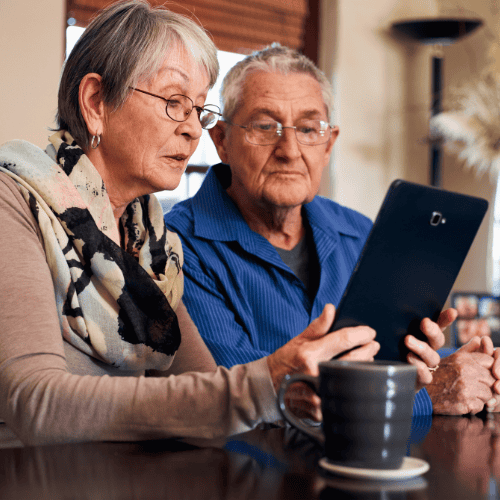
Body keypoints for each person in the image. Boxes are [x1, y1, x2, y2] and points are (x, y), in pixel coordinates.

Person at [0, 0, 379, 446]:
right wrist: (265, 382)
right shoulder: (13, 203)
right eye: (175, 102)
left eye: (198, 109)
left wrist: (294, 394)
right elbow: (35, 403)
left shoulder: (150, 244)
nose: (193, 130)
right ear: (96, 102)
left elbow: (211, 397)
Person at [165, 44, 500, 416]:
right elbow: (237, 398)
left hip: (371, 459)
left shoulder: (359, 232)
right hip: (248, 469)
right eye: (265, 126)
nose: (290, 150)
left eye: (309, 129)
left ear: (328, 145)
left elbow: (396, 364)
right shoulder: (175, 246)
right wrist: (424, 394)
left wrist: (457, 367)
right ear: (222, 141)